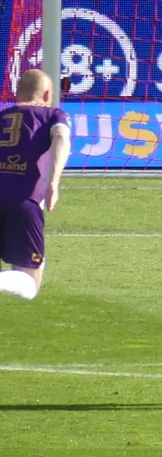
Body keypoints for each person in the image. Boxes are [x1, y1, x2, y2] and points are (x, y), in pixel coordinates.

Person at [0, 70, 71, 303]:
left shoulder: (3, 115)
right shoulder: (53, 114)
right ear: (48, 94)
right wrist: (53, 182)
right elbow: (61, 137)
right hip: (23, 202)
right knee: (30, 284)